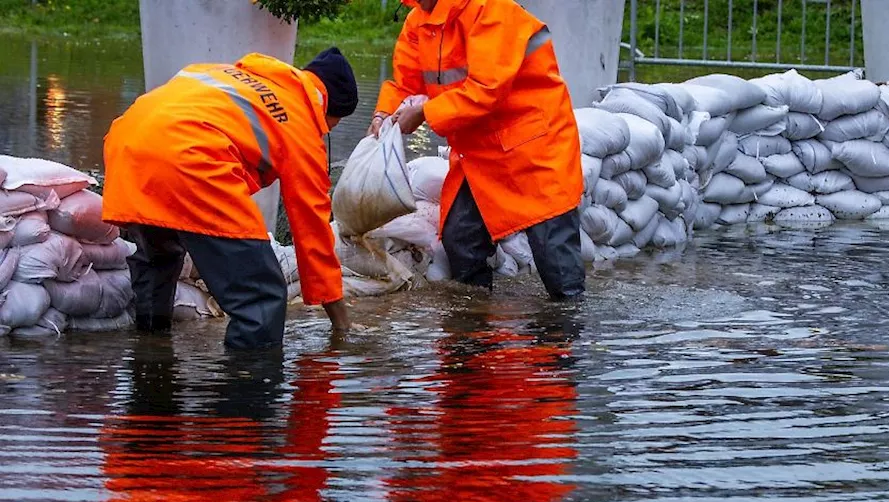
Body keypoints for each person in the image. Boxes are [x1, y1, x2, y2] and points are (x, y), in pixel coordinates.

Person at [102, 48, 359, 349]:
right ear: (328, 106)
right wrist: (342, 325)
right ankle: (248, 387)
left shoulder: (228, 74)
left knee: (158, 260)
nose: (327, 131)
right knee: (260, 295)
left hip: (127, 149)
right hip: (191, 159)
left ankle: (152, 361)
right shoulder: (300, 123)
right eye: (333, 124)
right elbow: (312, 231)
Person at [370, 0, 585, 301]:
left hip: (533, 146)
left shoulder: (490, 9)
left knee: (553, 252)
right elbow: (406, 83)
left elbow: (487, 89)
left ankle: (566, 330)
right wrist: (383, 113)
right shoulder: (418, 22)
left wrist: (424, 113)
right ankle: (475, 323)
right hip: (479, 153)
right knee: (461, 237)